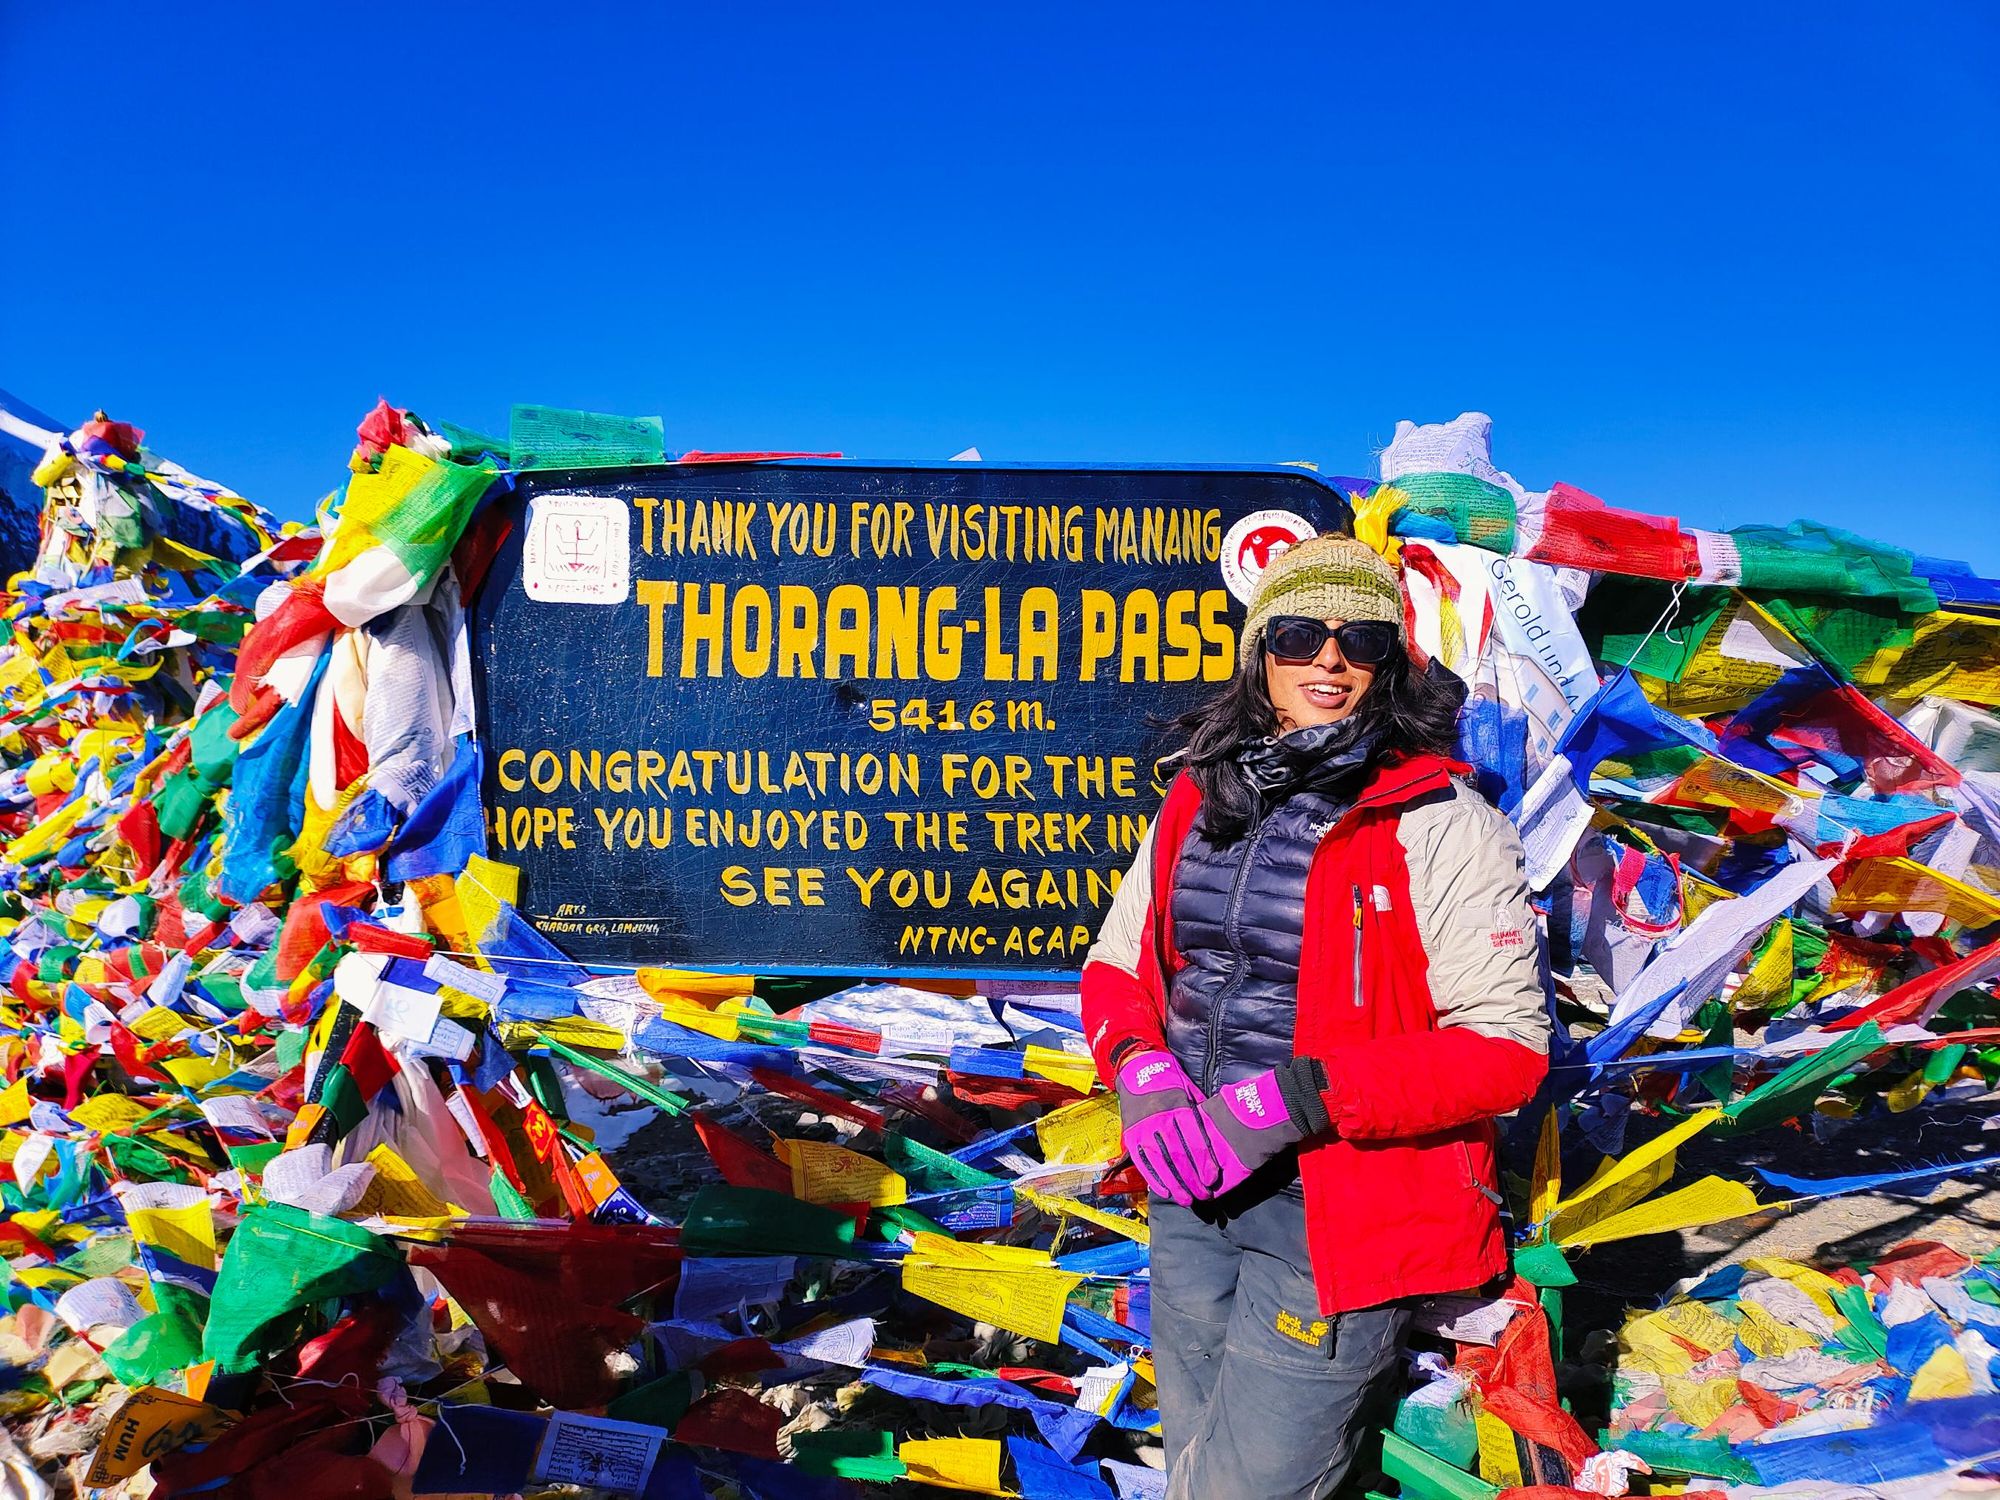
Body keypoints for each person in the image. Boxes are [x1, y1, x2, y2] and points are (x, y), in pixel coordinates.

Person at [1081, 534, 1551, 1500]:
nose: (1328, 660)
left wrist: (1290, 1102)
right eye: (1298, 633)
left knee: (1246, 1489)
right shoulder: (1195, 799)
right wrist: (1142, 1070)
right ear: (1260, 650)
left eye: (1361, 638)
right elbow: (1117, 966)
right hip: (1190, 1193)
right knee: (1194, 1461)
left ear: (1392, 663)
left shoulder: (1442, 822)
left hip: (1338, 1221)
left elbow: (1504, 1050)